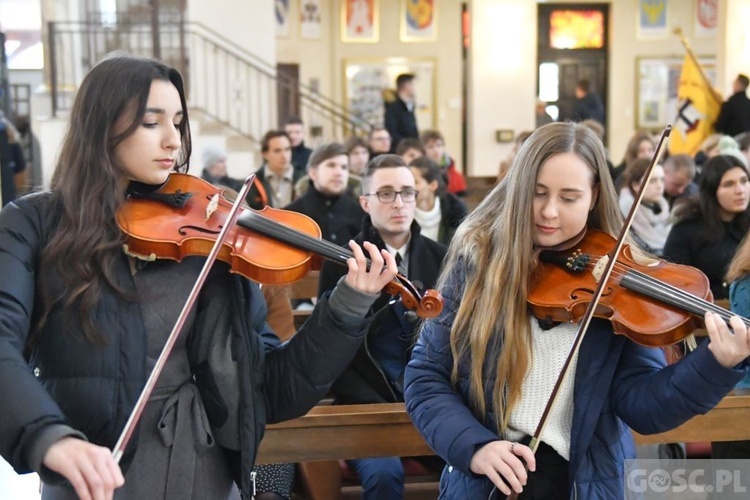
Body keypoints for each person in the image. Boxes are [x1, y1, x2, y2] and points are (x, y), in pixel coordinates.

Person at [0, 54, 399, 500]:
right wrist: (48, 437)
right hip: (98, 478)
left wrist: (348, 306)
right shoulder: (33, 224)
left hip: (205, 475)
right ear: (101, 127)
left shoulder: (211, 237)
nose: (174, 141)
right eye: (152, 123)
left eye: (178, 122)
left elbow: (271, 390)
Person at [403, 122, 750, 499]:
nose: (549, 212)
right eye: (537, 194)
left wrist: (716, 365)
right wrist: (475, 448)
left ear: (595, 195)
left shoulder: (620, 281)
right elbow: (426, 378)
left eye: (569, 198)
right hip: (486, 481)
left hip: (585, 484)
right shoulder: (477, 265)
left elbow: (645, 408)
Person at [318, 154, 447, 500]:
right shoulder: (344, 263)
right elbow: (329, 347)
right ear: (365, 202)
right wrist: (377, 405)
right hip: (367, 407)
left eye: (407, 192)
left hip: (433, 403)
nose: (399, 203)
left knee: (472, 466)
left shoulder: (443, 258)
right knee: (383, 475)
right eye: (386, 193)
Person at [663, 150, 750, 300]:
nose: (740, 190)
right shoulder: (686, 230)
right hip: (707, 313)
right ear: (712, 190)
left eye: (744, 181)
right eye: (728, 184)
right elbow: (672, 282)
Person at [285, 142, 364, 246]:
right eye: (331, 165)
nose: (339, 173)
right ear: (313, 173)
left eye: (344, 167)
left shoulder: (361, 214)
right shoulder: (290, 215)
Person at [408, 156, 468, 245]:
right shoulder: (401, 207)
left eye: (415, 182)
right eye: (407, 181)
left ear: (433, 185)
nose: (408, 187)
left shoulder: (455, 209)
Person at [617, 158, 671, 256]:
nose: (660, 186)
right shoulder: (623, 215)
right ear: (635, 185)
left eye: (662, 180)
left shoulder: (663, 206)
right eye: (652, 181)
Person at [245, 130, 305, 209]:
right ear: (265, 154)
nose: (284, 155)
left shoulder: (303, 179)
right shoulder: (253, 182)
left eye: (287, 149)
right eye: (277, 151)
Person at [421, 129, 467, 197]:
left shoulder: (456, 176)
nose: (436, 150)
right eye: (430, 147)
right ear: (423, 150)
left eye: (439, 145)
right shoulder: (420, 173)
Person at [384, 74, 419, 151]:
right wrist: (407, 145)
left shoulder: (409, 105)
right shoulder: (393, 106)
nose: (416, 88)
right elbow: (391, 131)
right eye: (414, 84)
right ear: (406, 85)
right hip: (400, 149)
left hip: (412, 147)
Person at [715, 74, 750, 138]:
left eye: (734, 82)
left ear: (737, 84)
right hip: (746, 143)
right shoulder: (748, 103)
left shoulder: (730, 104)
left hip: (730, 142)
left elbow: (719, 126)